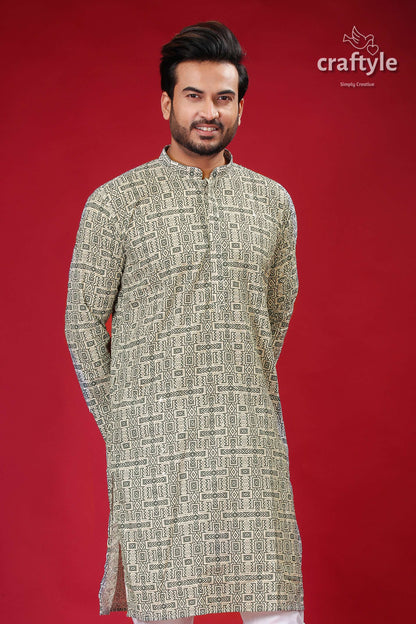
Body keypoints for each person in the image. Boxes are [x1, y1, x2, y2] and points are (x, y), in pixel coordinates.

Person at [65, 21, 305, 624]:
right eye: (193, 96)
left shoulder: (272, 203)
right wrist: (123, 418)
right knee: (162, 605)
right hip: (153, 445)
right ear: (166, 103)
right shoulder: (117, 203)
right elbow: (82, 322)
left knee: (273, 600)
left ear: (240, 107)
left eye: (223, 98)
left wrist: (236, 381)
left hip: (249, 438)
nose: (208, 112)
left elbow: (276, 308)